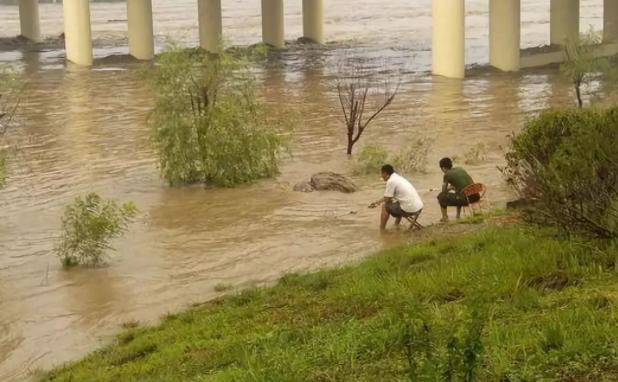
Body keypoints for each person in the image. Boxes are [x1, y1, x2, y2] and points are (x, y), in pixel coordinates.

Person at [368, 164, 424, 231]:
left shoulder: (391, 181)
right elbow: (389, 197)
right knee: (398, 203)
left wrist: (376, 203)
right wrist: (377, 202)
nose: (381, 176)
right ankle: (396, 225)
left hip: (410, 209)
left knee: (384, 206)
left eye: (381, 174)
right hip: (419, 206)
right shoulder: (398, 178)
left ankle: (382, 229)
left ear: (385, 173)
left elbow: (387, 199)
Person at [437, 157, 479, 222]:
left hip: (467, 199)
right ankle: (458, 216)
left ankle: (445, 217)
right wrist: (454, 187)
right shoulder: (460, 169)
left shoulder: (447, 174)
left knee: (441, 197)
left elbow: (443, 191)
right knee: (458, 193)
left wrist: (449, 188)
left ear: (443, 168)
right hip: (476, 196)